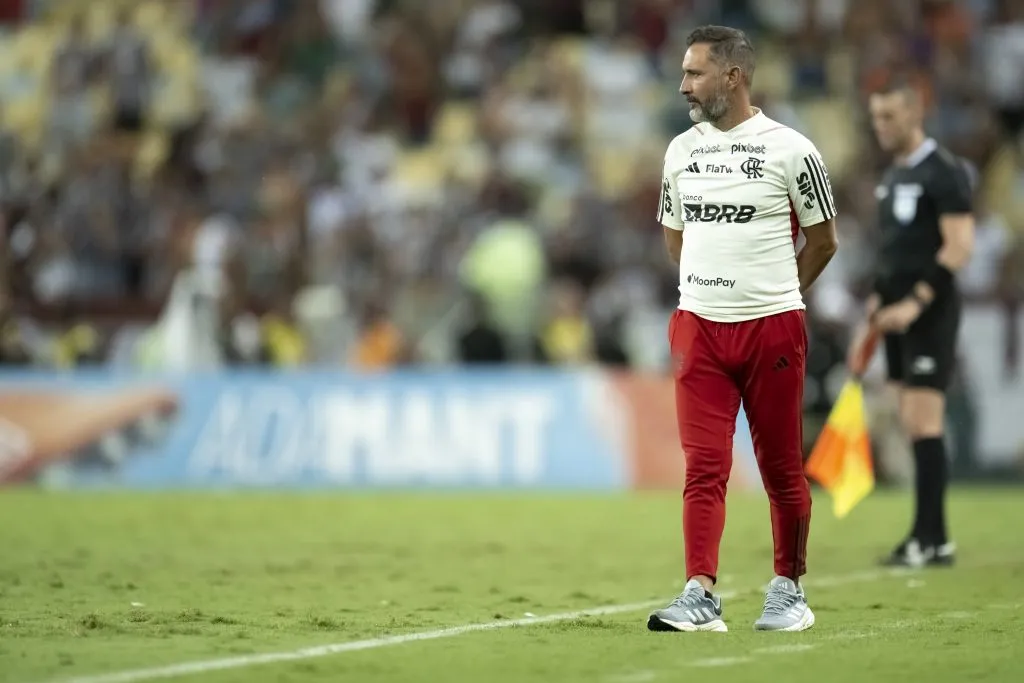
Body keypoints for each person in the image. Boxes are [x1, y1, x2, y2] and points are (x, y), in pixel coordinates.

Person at [648, 25, 838, 633]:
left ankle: (790, 590)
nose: (683, 86)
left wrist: (776, 293)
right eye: (683, 73)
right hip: (699, 328)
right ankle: (699, 593)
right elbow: (676, 238)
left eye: (694, 73)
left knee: (782, 467)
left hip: (773, 330)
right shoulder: (681, 152)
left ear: (733, 76)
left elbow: (825, 240)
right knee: (703, 468)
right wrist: (712, 290)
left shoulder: (792, 150)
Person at [846, 76, 975, 568]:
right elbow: (894, 254)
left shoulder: (943, 171)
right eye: (876, 117)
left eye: (890, 117)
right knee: (908, 420)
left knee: (924, 422)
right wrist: (877, 307)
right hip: (894, 315)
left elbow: (959, 245)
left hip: (929, 312)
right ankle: (929, 537)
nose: (881, 126)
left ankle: (931, 537)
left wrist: (915, 303)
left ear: (915, 114)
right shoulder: (893, 176)